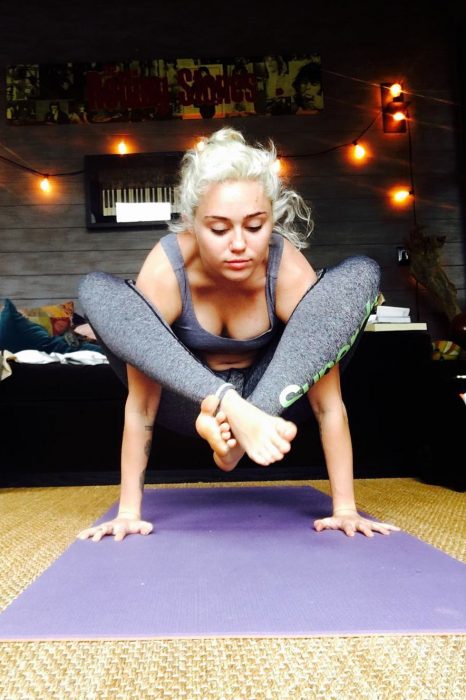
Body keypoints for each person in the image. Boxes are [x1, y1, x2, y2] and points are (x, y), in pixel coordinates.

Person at [77, 127, 399, 543]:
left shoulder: (285, 267)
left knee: (360, 274)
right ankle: (235, 417)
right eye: (219, 228)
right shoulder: (167, 267)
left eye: (255, 225)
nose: (239, 245)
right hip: (191, 405)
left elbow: (327, 403)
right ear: (193, 223)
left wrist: (345, 509)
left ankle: (237, 436)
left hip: (275, 402)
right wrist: (127, 512)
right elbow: (140, 407)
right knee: (97, 290)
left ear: (272, 218)